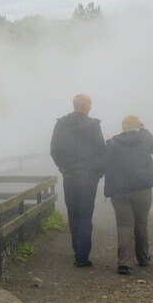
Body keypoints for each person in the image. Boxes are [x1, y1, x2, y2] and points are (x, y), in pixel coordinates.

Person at [50, 93, 106, 267]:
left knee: (73, 212)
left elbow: (54, 150)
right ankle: (82, 256)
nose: (91, 107)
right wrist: (97, 173)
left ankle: (77, 250)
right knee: (85, 214)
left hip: (70, 175)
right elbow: (101, 150)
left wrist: (64, 168)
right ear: (85, 104)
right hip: (88, 177)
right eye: (90, 104)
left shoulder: (61, 124)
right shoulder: (93, 126)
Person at [103, 115, 153, 275]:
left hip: (120, 191)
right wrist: (145, 129)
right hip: (142, 189)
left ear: (123, 126)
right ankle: (143, 258)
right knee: (141, 224)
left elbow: (104, 162)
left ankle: (125, 263)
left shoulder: (113, 142)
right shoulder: (144, 138)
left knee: (124, 225)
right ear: (138, 125)